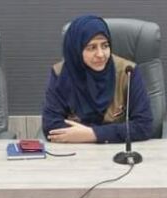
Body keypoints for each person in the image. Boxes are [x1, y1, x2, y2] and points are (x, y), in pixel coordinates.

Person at [42, 15, 153, 144]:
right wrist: (114, 132)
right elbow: (51, 127)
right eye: (92, 47)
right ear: (76, 49)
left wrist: (93, 134)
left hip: (118, 151)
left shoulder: (127, 71)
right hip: (75, 151)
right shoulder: (60, 74)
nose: (101, 54)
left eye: (105, 46)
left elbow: (144, 126)